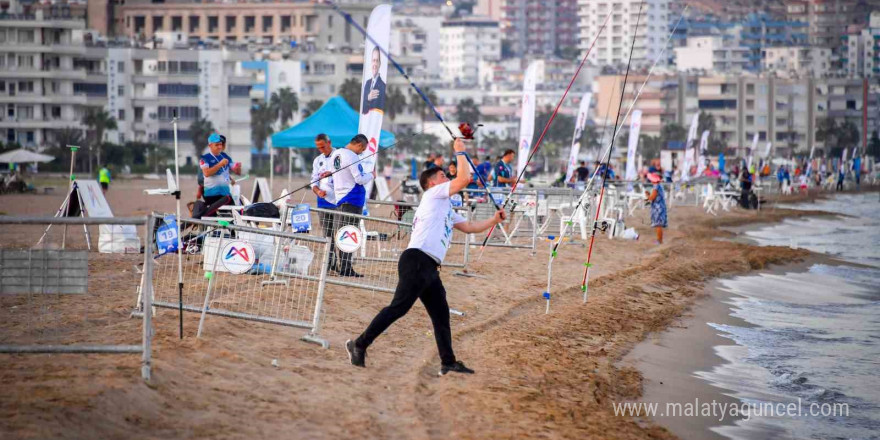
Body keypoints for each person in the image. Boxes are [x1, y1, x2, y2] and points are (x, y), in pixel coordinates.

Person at [345, 138, 508, 376]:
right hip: (417, 260)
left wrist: (494, 220)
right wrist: (460, 152)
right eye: (443, 176)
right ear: (432, 183)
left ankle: (448, 362)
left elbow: (471, 227)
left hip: (430, 267)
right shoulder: (433, 195)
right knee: (398, 308)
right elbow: (463, 179)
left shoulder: (446, 208)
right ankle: (359, 344)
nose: (447, 180)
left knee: (441, 315)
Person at [326, 134, 373, 277]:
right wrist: (371, 175)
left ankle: (343, 266)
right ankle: (346, 268)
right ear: (358, 144)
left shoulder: (336, 154)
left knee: (343, 233)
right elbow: (359, 179)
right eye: (363, 149)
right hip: (352, 199)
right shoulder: (352, 156)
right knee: (350, 234)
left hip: (340, 198)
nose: (362, 152)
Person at [311, 133, 339, 271]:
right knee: (327, 234)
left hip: (338, 201)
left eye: (323, 146)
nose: (321, 149)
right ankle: (329, 264)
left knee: (339, 233)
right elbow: (313, 181)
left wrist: (331, 173)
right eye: (318, 147)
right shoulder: (317, 160)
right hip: (322, 202)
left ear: (329, 142)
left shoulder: (339, 156)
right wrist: (318, 191)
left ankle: (342, 264)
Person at [199, 133, 235, 206]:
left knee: (235, 211)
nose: (219, 147)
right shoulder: (205, 158)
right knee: (215, 214)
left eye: (220, 144)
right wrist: (220, 164)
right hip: (212, 195)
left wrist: (230, 179)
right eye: (216, 145)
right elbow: (207, 173)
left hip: (225, 193)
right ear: (210, 146)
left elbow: (224, 172)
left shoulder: (225, 157)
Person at [361, 47, 386, 115]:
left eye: (377, 61)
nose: (374, 64)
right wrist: (368, 98)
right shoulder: (367, 83)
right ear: (371, 62)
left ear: (379, 64)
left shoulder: (383, 86)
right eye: (373, 60)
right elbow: (363, 108)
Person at [645, 173, 667, 244]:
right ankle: (659, 240)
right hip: (660, 206)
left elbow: (652, 198)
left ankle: (659, 240)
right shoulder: (659, 186)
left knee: (658, 225)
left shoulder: (656, 187)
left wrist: (647, 195)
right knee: (658, 225)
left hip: (658, 208)